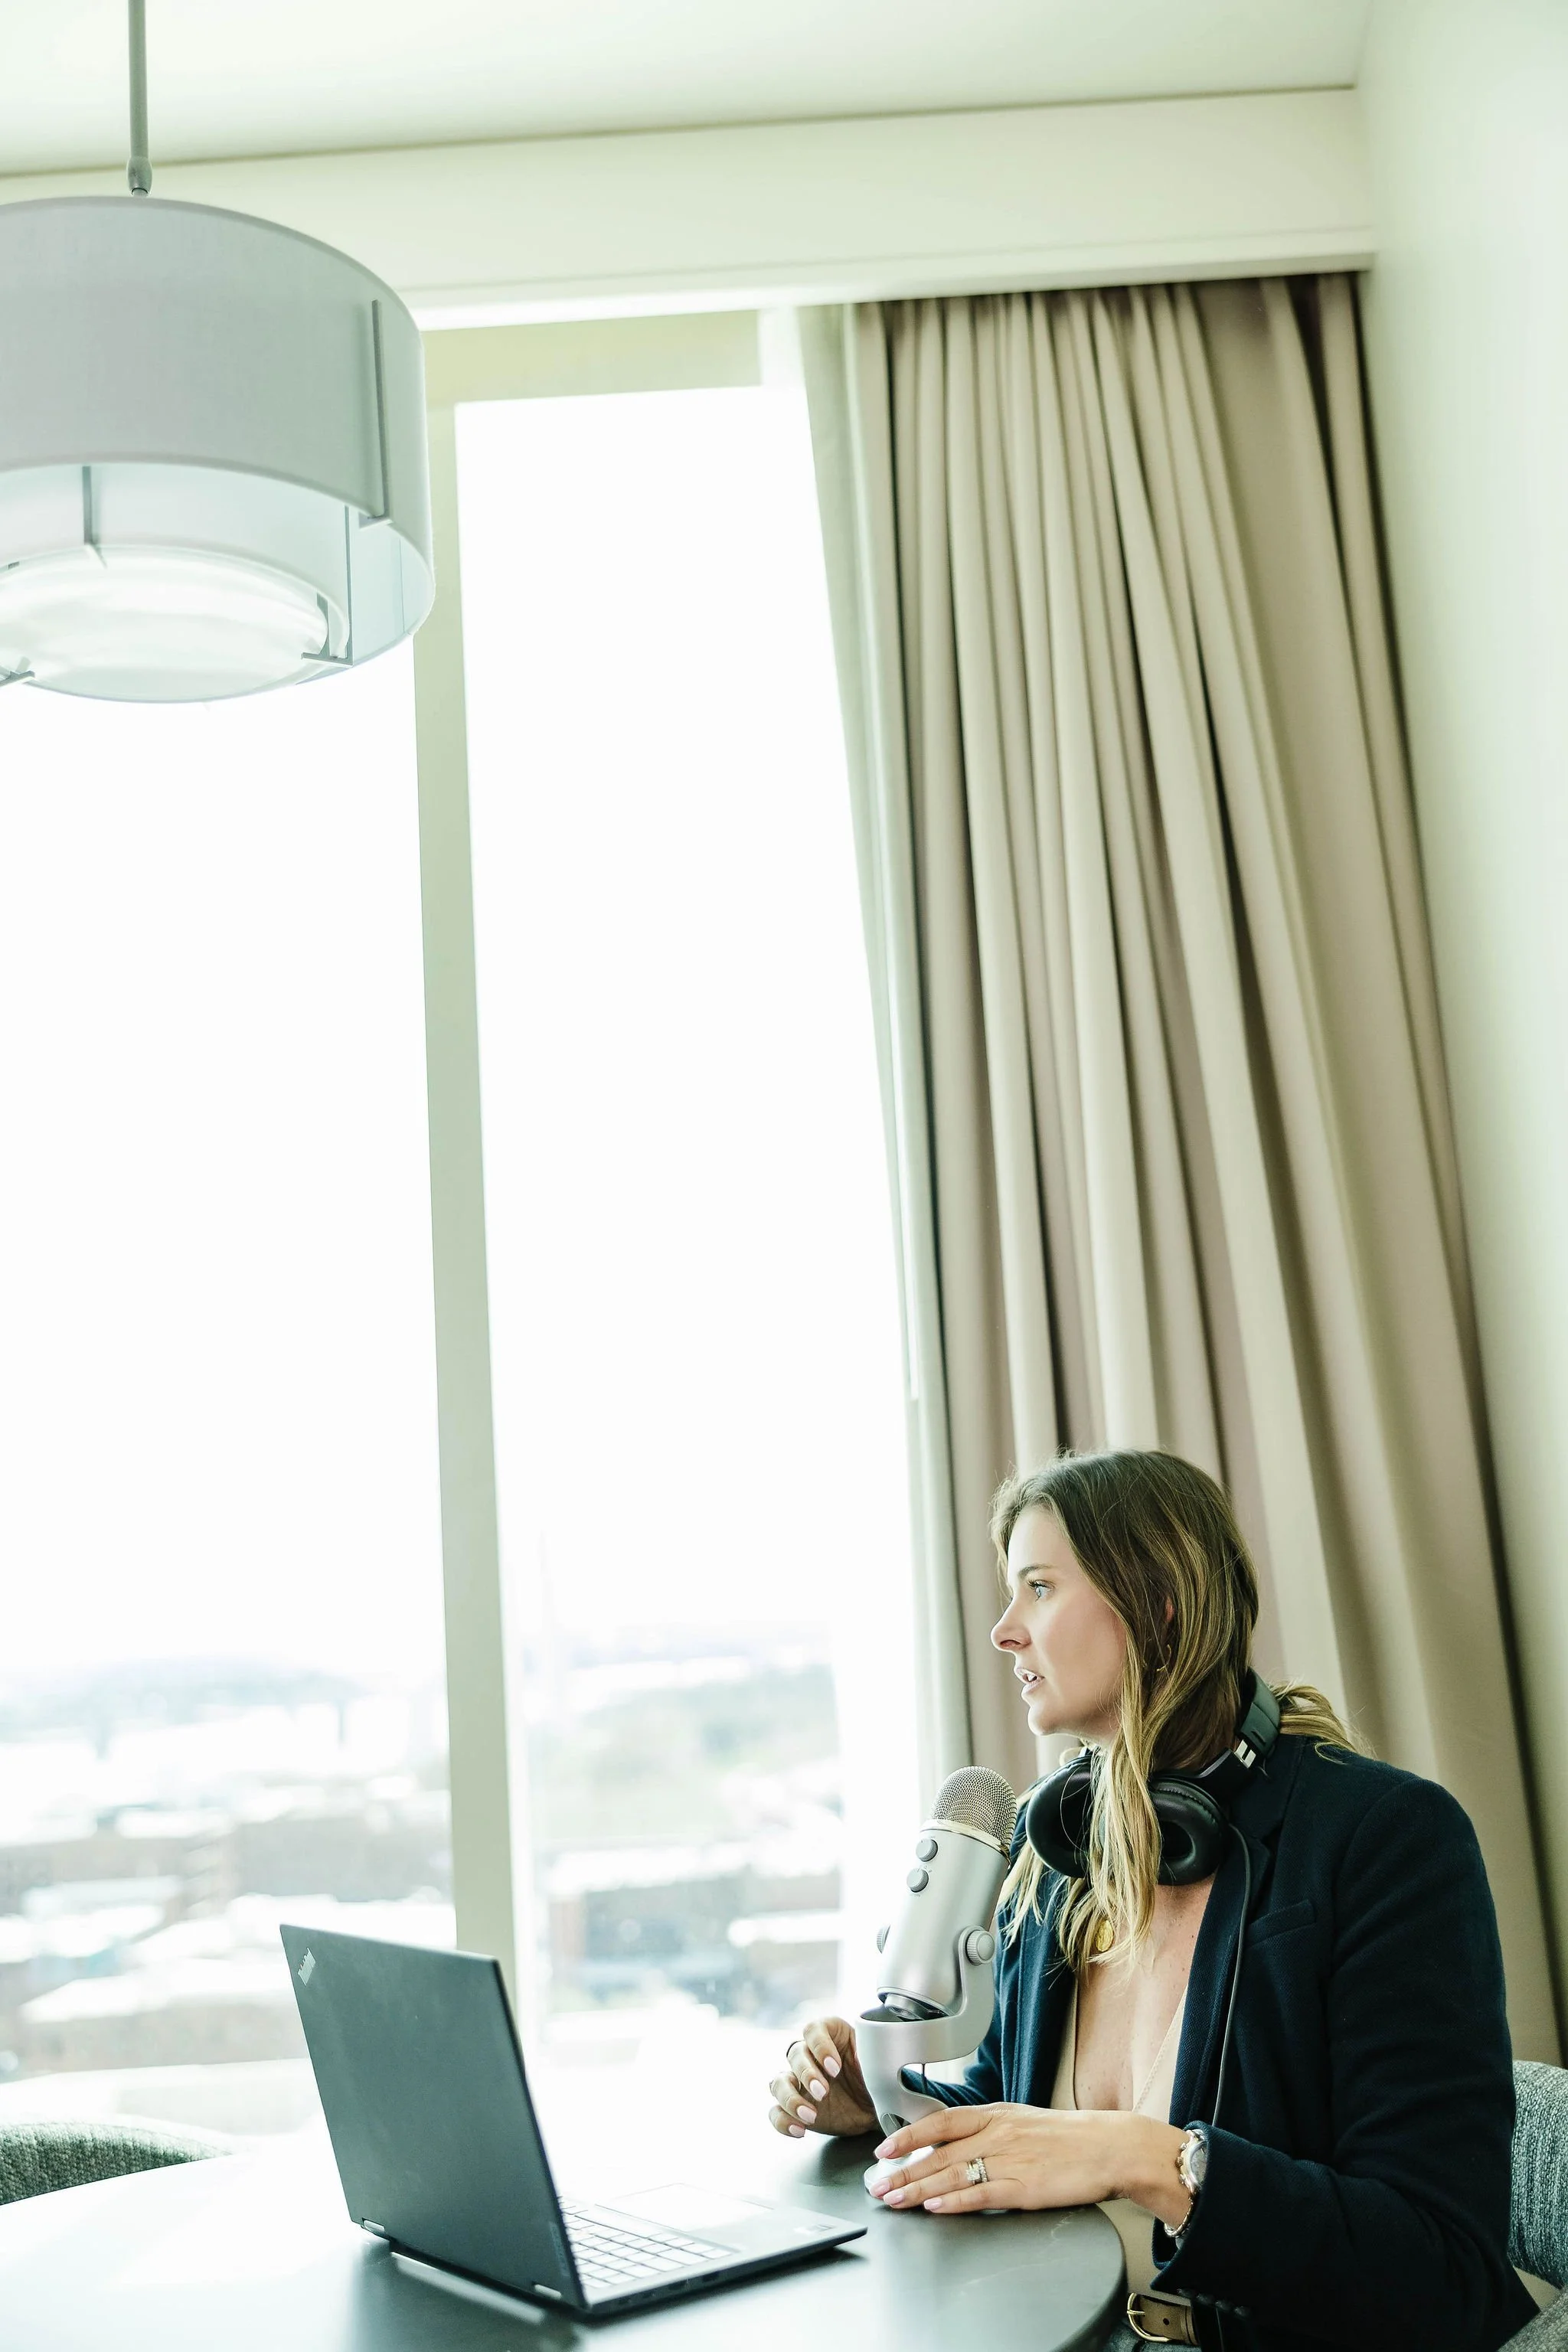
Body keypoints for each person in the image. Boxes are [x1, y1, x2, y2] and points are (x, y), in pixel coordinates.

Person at [766, 1450, 1536, 2352]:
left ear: (1157, 1602)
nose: (1003, 1631)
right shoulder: (1050, 1851)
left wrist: (1149, 2159)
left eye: (1039, 1587)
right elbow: (1007, 2111)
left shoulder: (1384, 1840)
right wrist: (885, 2104)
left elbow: (1433, 2268)